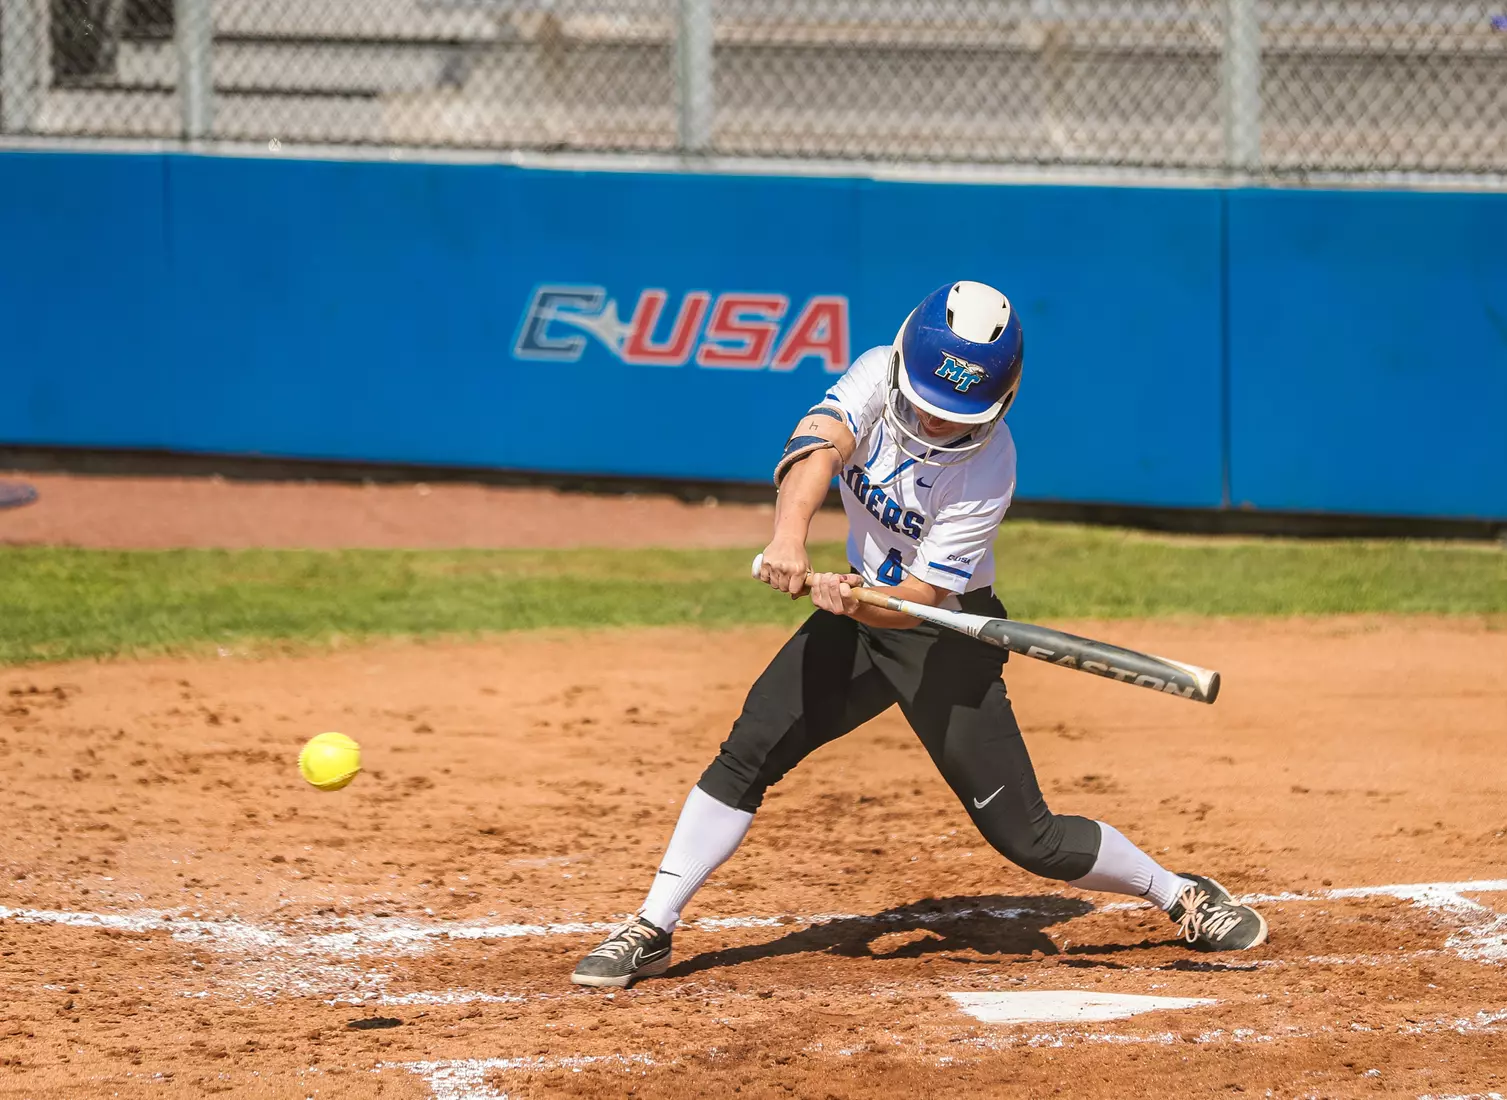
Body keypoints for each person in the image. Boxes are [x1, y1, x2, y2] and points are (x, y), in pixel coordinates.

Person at [571, 281, 1267, 988]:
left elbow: (919, 601)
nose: (936, 426)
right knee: (748, 751)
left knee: (1028, 839)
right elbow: (819, 446)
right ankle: (651, 926)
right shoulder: (877, 371)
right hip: (856, 617)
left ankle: (1180, 894)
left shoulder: (989, 464)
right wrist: (788, 540)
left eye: (955, 415)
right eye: (929, 407)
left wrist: (855, 601)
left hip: (942, 641)